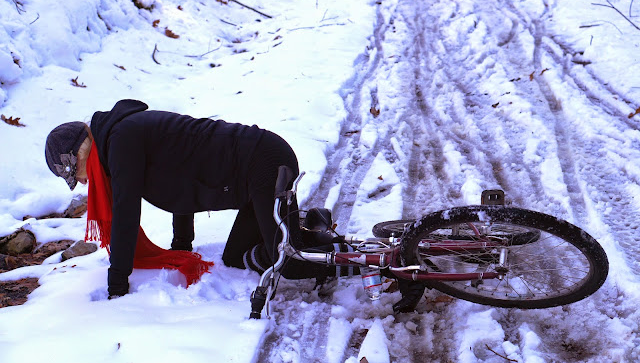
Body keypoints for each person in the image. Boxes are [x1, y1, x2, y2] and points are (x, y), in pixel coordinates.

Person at [45, 99, 424, 312]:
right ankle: (311, 232)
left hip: (264, 162)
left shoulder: (121, 140)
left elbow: (127, 213)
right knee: (235, 256)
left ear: (79, 152)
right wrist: (182, 246)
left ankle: (388, 263)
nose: (80, 181)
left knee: (288, 262)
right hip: (250, 180)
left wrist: (117, 284)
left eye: (73, 172)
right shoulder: (122, 137)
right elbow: (180, 184)